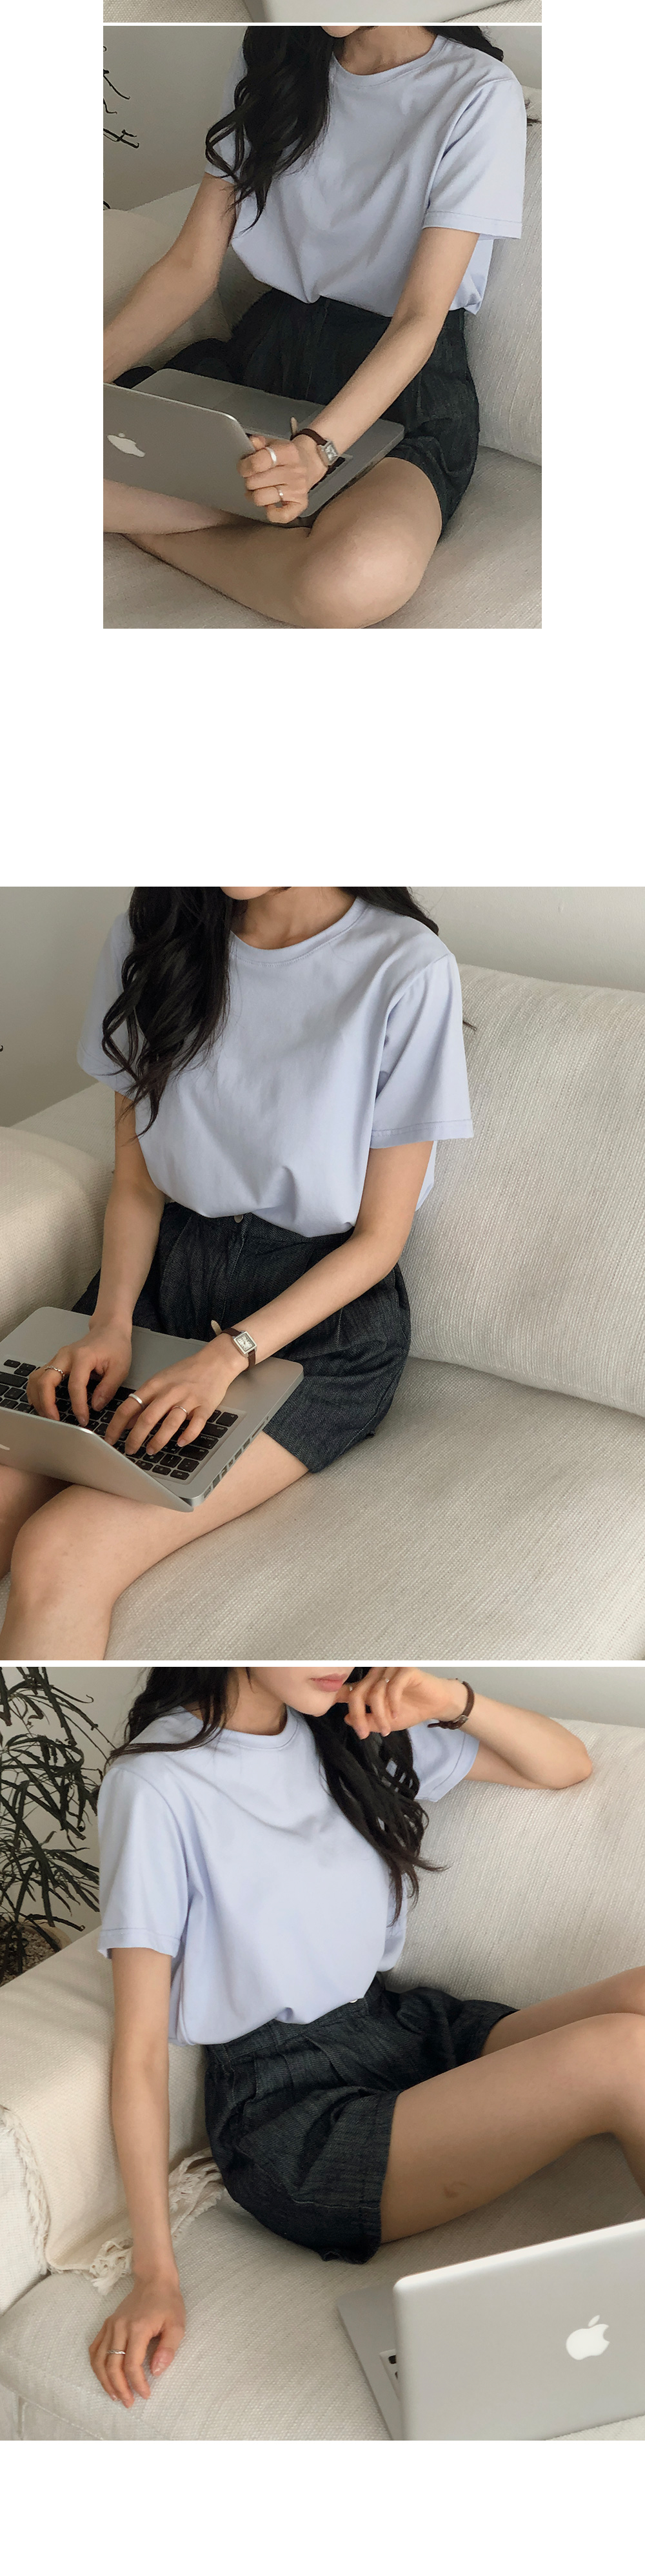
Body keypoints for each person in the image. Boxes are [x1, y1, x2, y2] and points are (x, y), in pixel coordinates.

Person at [86, 1654, 645, 2416]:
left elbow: (565, 1764)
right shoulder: (154, 1783)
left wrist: (450, 1697)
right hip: (293, 2108)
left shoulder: (345, 1730)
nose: (340, 1659)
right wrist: (154, 2273)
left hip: (399, 2030)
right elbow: (141, 2050)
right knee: (621, 2052)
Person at [0, 890, 471, 1654]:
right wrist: (109, 1323)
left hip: (315, 1320)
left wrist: (226, 1357)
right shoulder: (154, 936)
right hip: (161, 1275)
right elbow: (136, 1183)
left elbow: (379, 1238)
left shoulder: (405, 968)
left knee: (61, 1551)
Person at [103, 20, 527, 625]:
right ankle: (268, 519)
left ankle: (170, 528)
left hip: (395, 384)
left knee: (357, 578)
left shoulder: (480, 91)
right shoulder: (275, 56)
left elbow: (419, 318)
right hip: (266, 356)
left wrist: (315, 450)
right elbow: (191, 267)